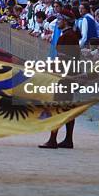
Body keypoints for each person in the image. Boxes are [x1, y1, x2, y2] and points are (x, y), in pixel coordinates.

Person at [39, 12, 80, 149]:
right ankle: (68, 139)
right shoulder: (72, 35)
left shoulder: (66, 37)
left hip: (64, 77)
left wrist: (49, 67)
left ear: (66, 21)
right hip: (70, 75)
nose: (57, 21)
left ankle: (52, 139)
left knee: (57, 107)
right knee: (67, 107)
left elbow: (62, 60)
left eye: (60, 19)